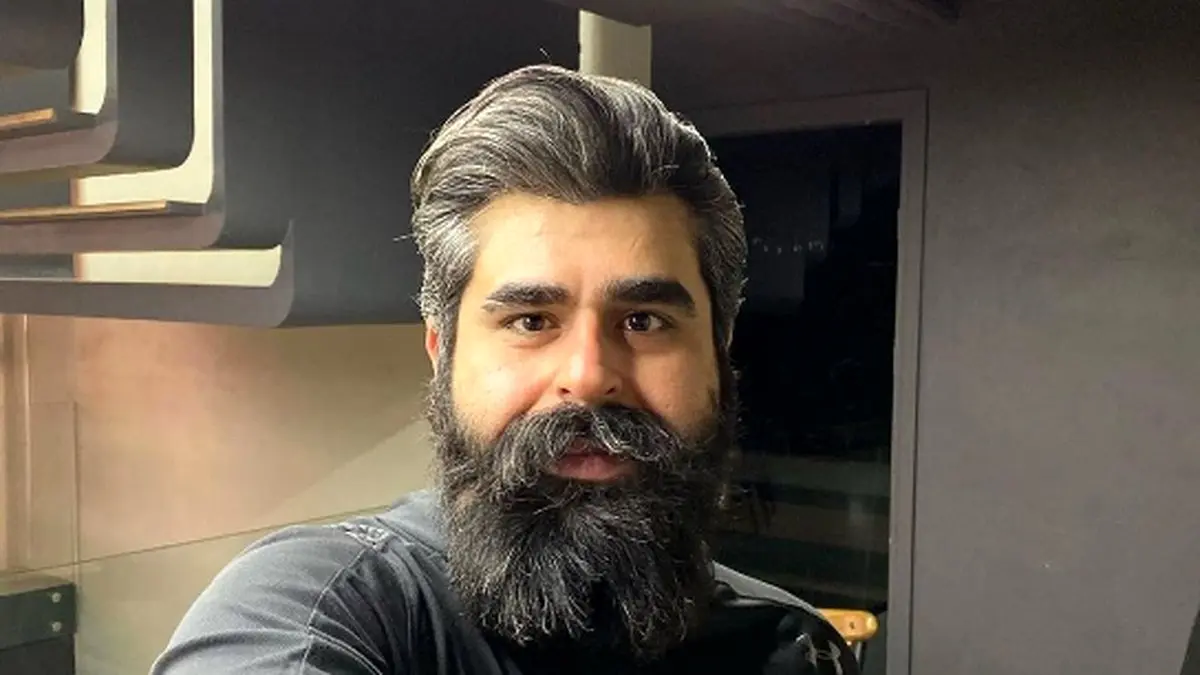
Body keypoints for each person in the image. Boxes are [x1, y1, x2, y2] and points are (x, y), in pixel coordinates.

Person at [150, 64, 850, 675]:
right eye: (530, 321)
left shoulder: (792, 646)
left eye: (644, 321)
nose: (588, 375)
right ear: (443, 354)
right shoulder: (325, 610)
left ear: (718, 355)